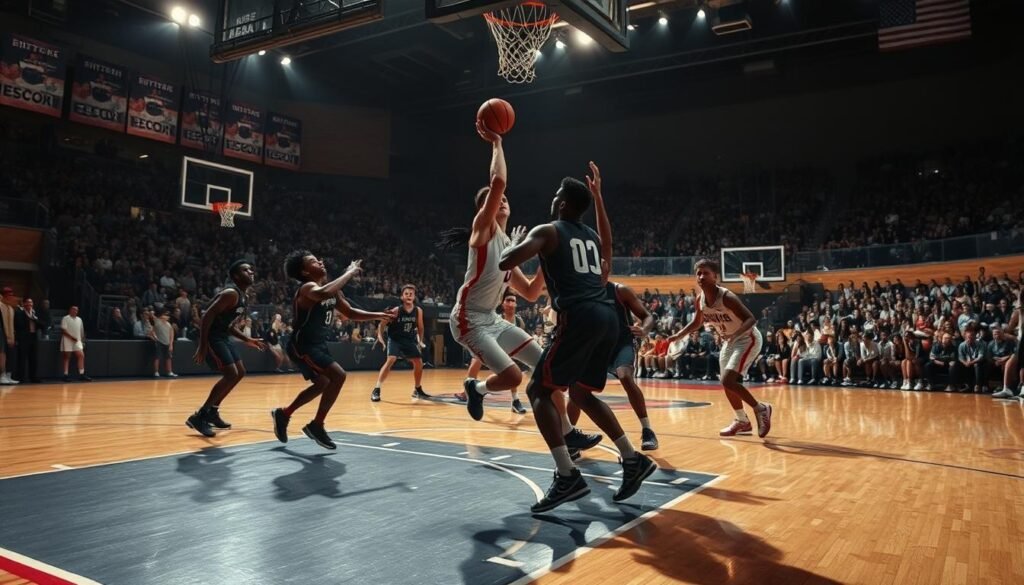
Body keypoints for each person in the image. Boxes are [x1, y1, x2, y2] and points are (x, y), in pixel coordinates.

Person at [498, 161, 656, 513]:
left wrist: (514, 240)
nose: (553, 200)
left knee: (538, 390)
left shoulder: (550, 231)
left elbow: (505, 262)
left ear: (565, 205)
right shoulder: (591, 237)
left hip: (580, 316)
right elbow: (609, 244)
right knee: (582, 393)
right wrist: (599, 198)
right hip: (606, 319)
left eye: (558, 196)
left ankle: (567, 475)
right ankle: (633, 460)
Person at [438, 120, 597, 458]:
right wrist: (496, 143)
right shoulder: (483, 230)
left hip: (492, 319)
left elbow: (530, 293)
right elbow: (498, 181)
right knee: (512, 376)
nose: (503, 200)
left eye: (506, 199)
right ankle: (477, 388)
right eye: (498, 200)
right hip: (468, 318)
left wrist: (544, 253)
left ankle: (568, 433)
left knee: (546, 369)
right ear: (487, 208)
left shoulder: (511, 244)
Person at [271, 254, 396, 449]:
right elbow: (321, 293)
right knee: (338, 375)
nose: (320, 261)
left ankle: (284, 414)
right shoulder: (308, 288)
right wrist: (350, 272)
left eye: (319, 259)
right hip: (302, 345)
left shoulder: (331, 290)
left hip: (317, 344)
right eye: (313, 261)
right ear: (305, 271)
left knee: (322, 383)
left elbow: (350, 312)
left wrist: (379, 315)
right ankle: (317, 425)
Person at [668, 259, 772, 438]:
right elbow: (697, 322)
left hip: (748, 338)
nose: (701, 276)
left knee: (728, 380)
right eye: (698, 273)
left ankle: (761, 408)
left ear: (715, 277)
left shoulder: (727, 297)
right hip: (729, 342)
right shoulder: (700, 299)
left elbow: (751, 319)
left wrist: (735, 334)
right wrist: (679, 335)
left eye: (705, 273)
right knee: (726, 384)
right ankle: (742, 421)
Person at [566, 280, 659, 451]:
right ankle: (570, 438)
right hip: (596, 346)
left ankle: (647, 430)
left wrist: (645, 330)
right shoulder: (583, 290)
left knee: (625, 376)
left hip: (622, 343)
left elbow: (647, 316)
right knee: (577, 389)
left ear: (606, 268)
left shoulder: (620, 290)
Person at [188, 260, 266, 438]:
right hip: (213, 337)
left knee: (239, 372)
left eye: (251, 269)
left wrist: (247, 339)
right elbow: (207, 315)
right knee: (231, 373)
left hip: (223, 336)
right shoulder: (231, 293)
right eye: (246, 270)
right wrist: (202, 345)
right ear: (237, 276)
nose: (251, 271)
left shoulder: (243, 296)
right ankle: (200, 416)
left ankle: (213, 411)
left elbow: (229, 325)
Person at [458, 292, 530, 414]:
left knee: (513, 369)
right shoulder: (496, 319)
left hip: (508, 349)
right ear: (503, 304)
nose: (511, 303)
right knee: (475, 361)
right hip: (492, 346)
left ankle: (515, 400)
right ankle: (468, 391)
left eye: (513, 301)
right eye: (508, 300)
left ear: (516, 304)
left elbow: (520, 339)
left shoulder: (519, 321)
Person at [371, 284, 429, 402]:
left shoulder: (418, 311)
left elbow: (421, 327)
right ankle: (376, 389)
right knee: (391, 359)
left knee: (418, 362)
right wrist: (380, 337)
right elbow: (382, 324)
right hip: (395, 339)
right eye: (406, 294)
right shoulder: (396, 311)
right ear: (402, 297)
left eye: (411, 294)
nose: (409, 296)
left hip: (408, 339)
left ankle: (417, 389)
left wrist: (420, 341)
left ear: (414, 297)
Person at [60, 306, 91, 382]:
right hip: (67, 340)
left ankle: (81, 374)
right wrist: (71, 337)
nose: (75, 311)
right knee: (67, 357)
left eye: (76, 310)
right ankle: (65, 375)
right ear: (70, 310)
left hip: (77, 341)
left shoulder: (79, 319)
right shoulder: (65, 318)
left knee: (81, 355)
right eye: (73, 309)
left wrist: (82, 341)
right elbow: (63, 331)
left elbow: (81, 331)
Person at [14, 298, 41, 383]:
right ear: (24, 304)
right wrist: (29, 318)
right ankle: (21, 377)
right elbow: (18, 325)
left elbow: (42, 325)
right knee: (22, 358)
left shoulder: (35, 313)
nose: (30, 304)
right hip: (23, 338)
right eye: (28, 303)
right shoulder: (19, 313)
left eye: (31, 302)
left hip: (33, 337)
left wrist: (34, 319)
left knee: (33, 358)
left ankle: (33, 377)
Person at [151, 309, 177, 378]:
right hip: (159, 342)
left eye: (168, 316)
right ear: (162, 316)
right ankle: (156, 372)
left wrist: (171, 344)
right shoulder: (157, 321)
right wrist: (155, 338)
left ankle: (169, 372)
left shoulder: (169, 324)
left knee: (168, 358)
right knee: (157, 357)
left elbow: (172, 334)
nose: (167, 317)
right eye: (166, 315)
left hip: (167, 343)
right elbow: (152, 331)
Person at [0, 287, 16, 385]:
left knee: (9, 355)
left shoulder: (10, 308)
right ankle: (2, 375)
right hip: (1, 332)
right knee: (2, 354)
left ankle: (7, 375)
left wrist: (12, 337)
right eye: (9, 295)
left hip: (9, 334)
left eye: (11, 295)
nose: (11, 297)